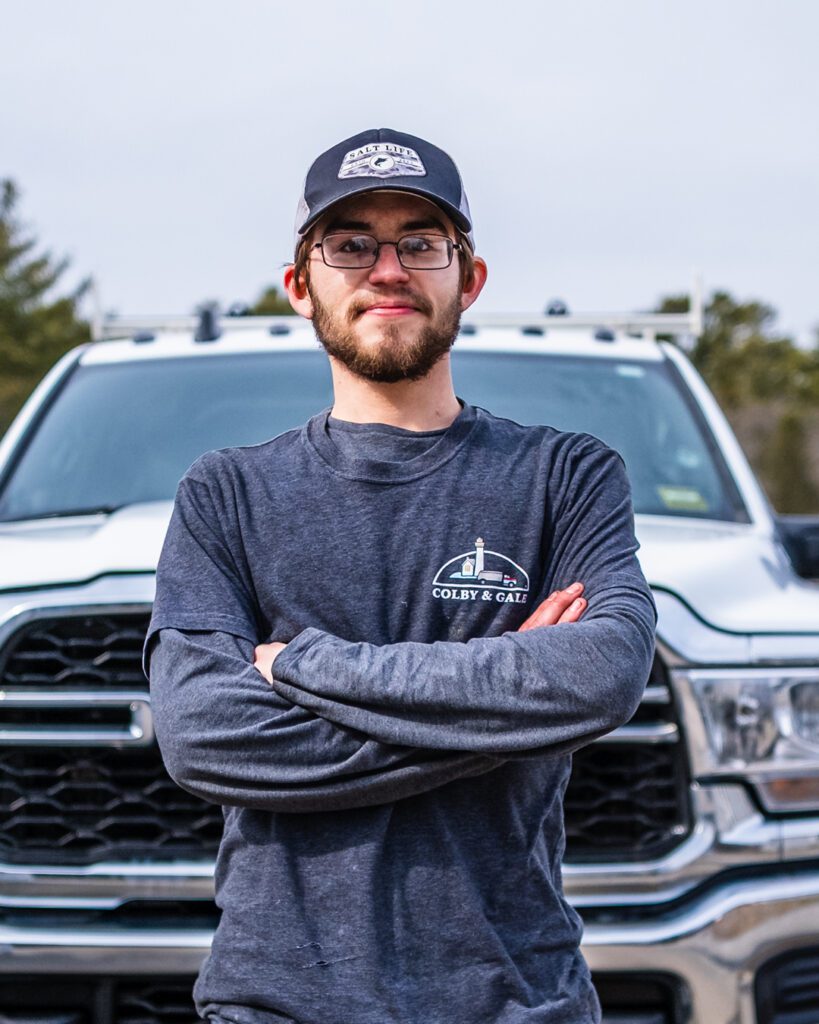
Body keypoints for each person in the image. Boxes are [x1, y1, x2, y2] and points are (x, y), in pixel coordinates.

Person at [145, 128, 657, 1024]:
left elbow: (600, 673)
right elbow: (203, 737)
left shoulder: (564, 476)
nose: (388, 269)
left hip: (518, 999)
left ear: (470, 278)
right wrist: (503, 707)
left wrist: (301, 668)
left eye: (421, 243)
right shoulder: (226, 492)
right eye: (350, 245)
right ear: (301, 285)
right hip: (277, 1004)